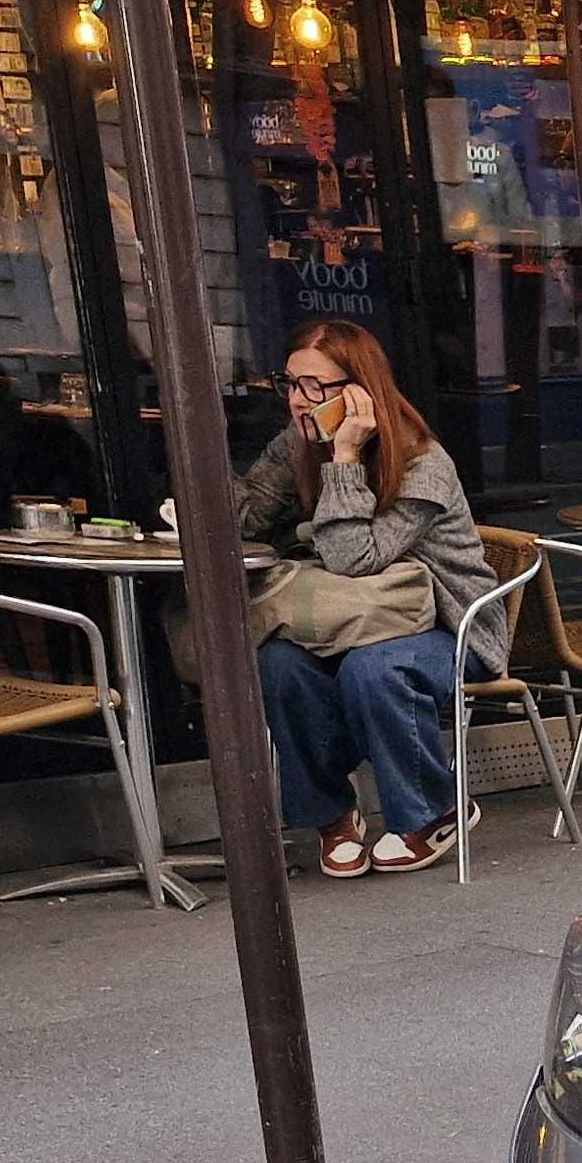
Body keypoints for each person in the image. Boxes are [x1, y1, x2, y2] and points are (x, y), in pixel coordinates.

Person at [238, 320, 500, 876]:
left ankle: (435, 811)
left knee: (373, 669)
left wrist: (345, 458)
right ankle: (331, 815)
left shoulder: (422, 462)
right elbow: (246, 513)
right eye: (288, 384)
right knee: (279, 662)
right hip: (348, 618)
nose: (297, 400)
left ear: (360, 392)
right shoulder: (298, 443)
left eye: (315, 387)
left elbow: (353, 558)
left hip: (449, 624)